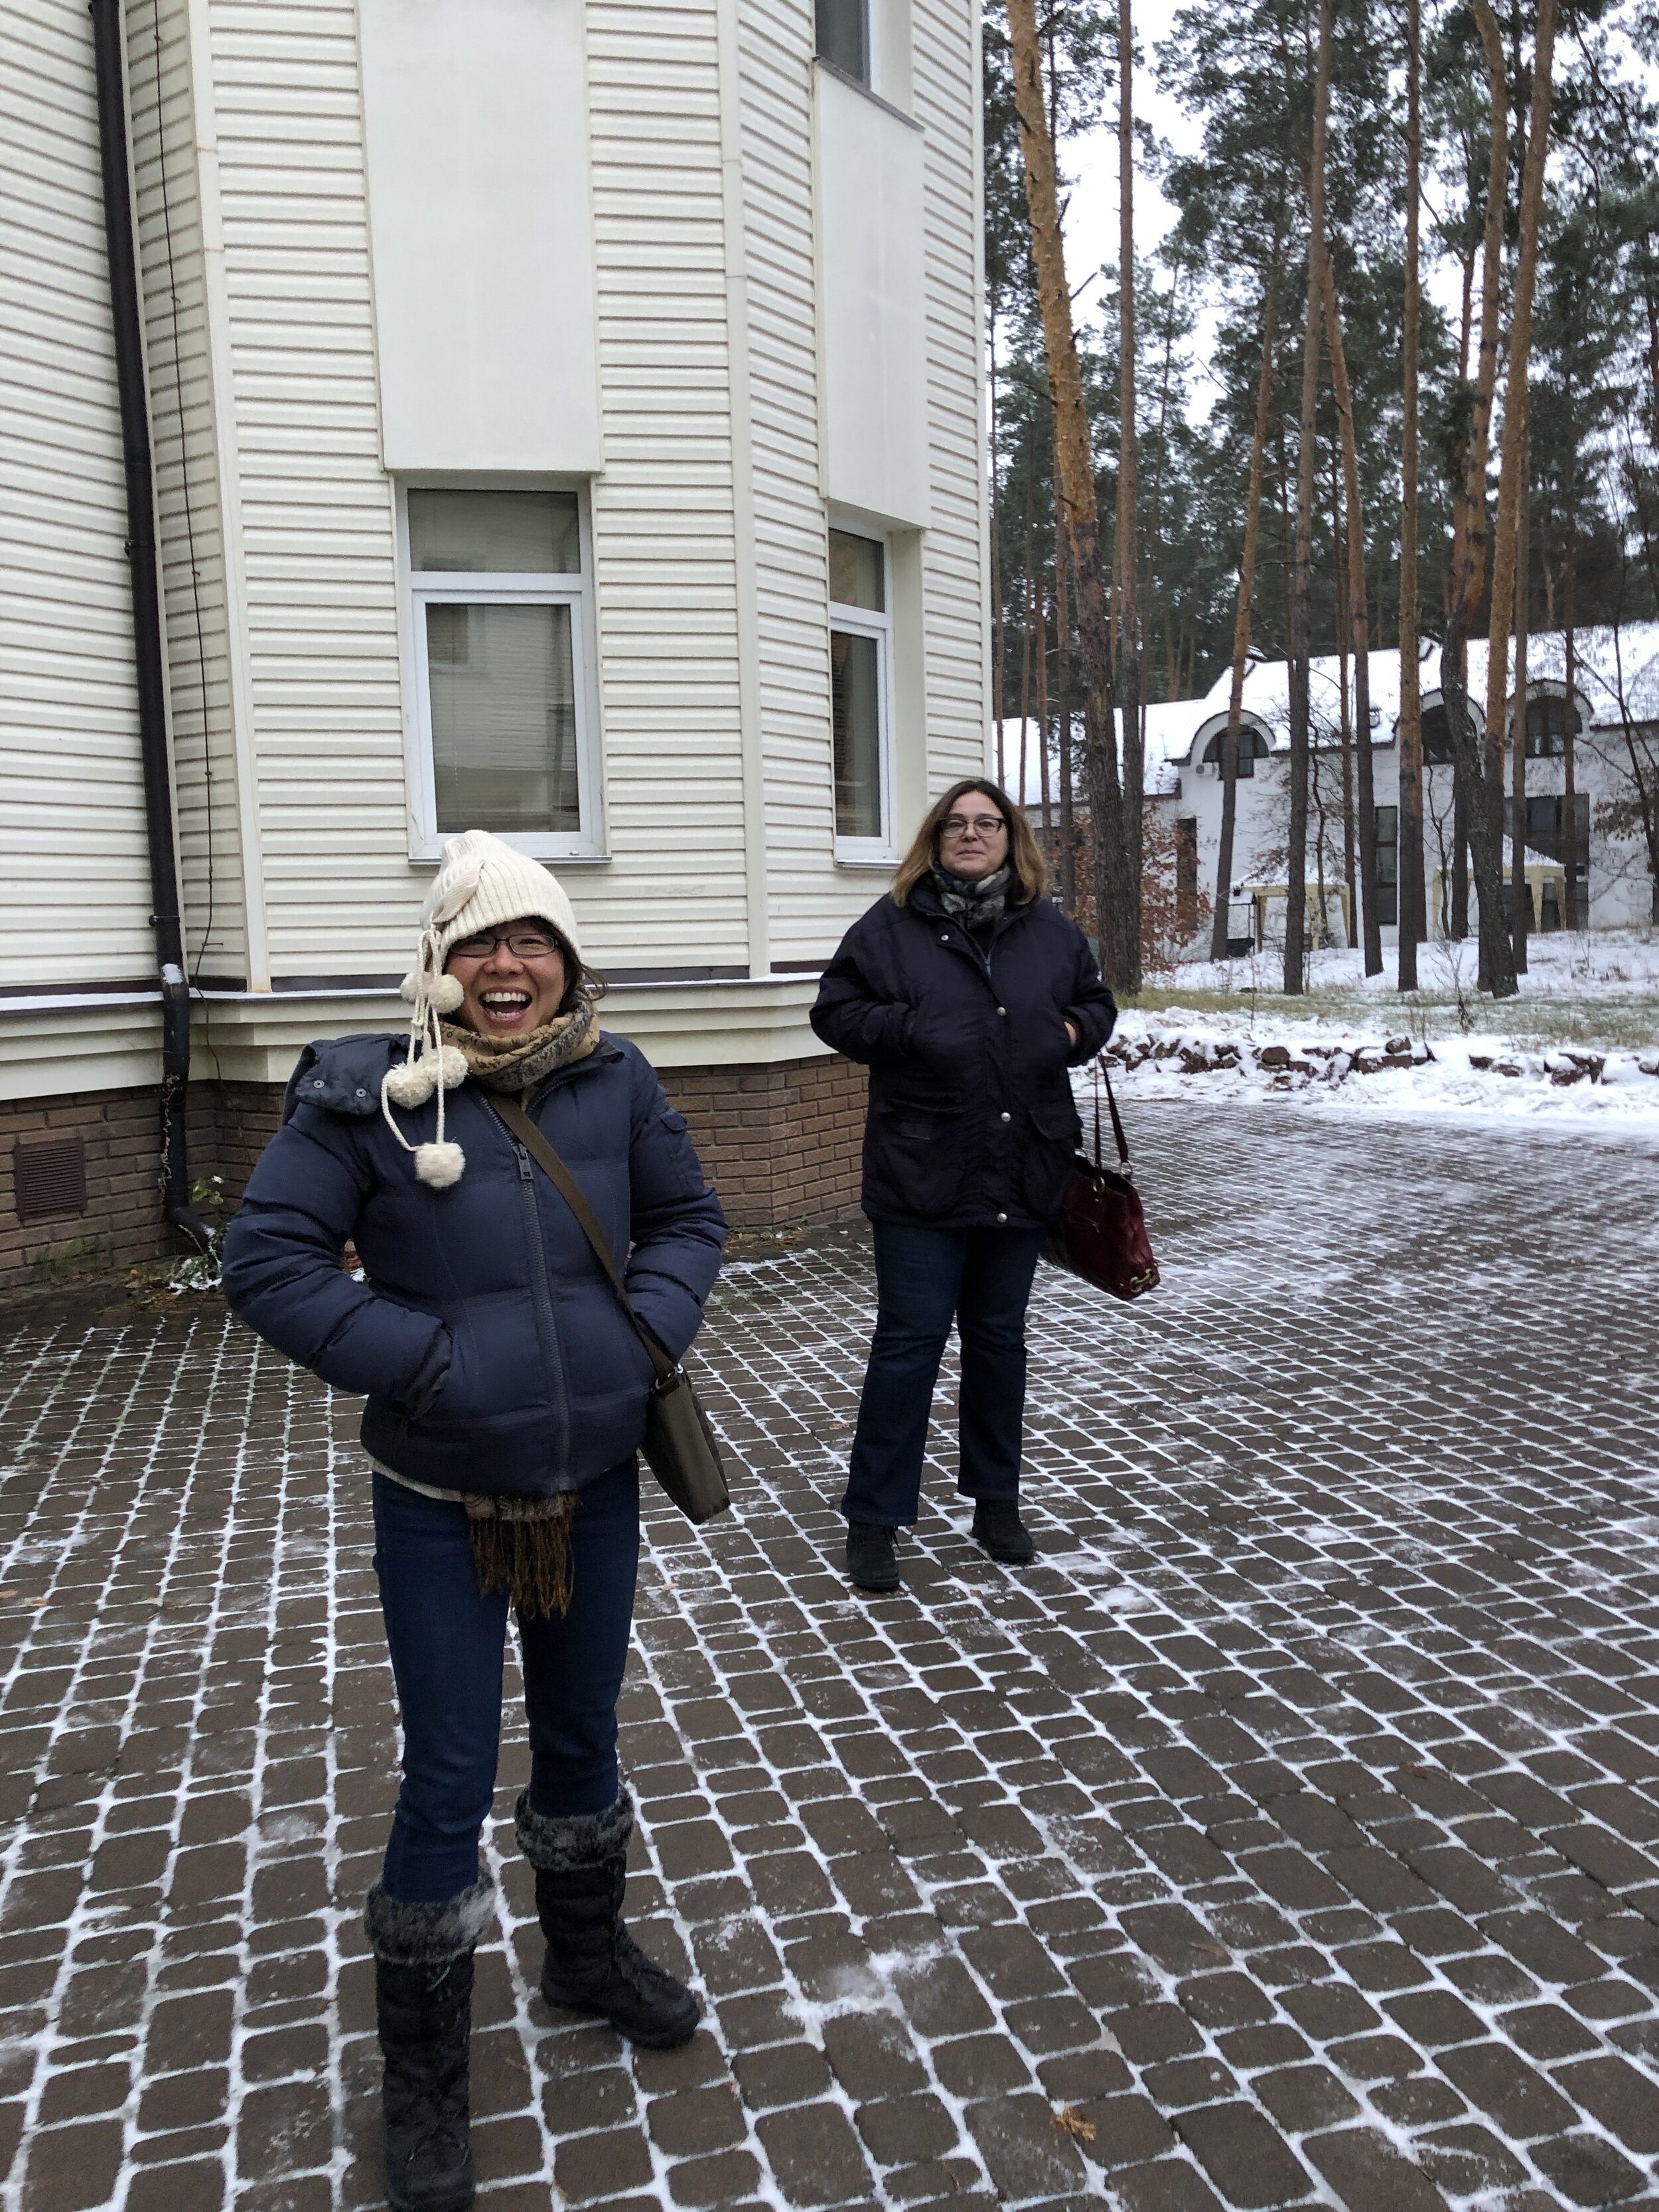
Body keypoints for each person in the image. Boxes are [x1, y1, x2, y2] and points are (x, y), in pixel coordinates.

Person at [221, 830, 727, 2212]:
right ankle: (427, 2077)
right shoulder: (368, 1098)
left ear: (568, 960)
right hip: (442, 1496)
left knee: (581, 1731)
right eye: (477, 943)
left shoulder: (616, 1075)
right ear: (439, 968)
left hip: (592, 1478)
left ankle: (582, 1954)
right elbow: (262, 1260)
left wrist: (645, 1333)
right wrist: (428, 1362)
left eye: (532, 942)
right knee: (447, 1768)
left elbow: (689, 1218)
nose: (508, 966)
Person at [811, 779, 1116, 1593]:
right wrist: (909, 1028)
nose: (972, 835)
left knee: (998, 1343)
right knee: (907, 1347)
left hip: (1023, 1166)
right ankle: (874, 1518)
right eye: (957, 824)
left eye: (988, 824)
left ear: (1012, 840)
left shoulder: (1050, 931)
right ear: (935, 838)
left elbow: (1096, 1004)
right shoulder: (891, 927)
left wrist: (1072, 1031)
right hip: (922, 1169)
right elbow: (834, 1012)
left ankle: (996, 1501)